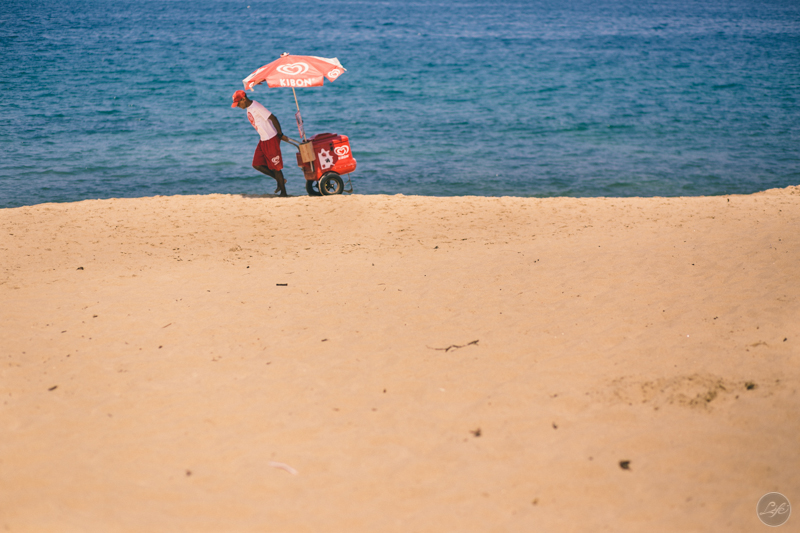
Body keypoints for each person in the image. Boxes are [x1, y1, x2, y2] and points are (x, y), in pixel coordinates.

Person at [231, 90, 289, 196]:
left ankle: (284, 193)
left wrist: (280, 134)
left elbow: (273, 118)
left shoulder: (257, 107)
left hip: (271, 138)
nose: (238, 106)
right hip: (263, 139)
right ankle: (279, 180)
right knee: (257, 164)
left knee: (276, 167)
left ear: (243, 99)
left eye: (238, 103)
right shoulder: (249, 108)